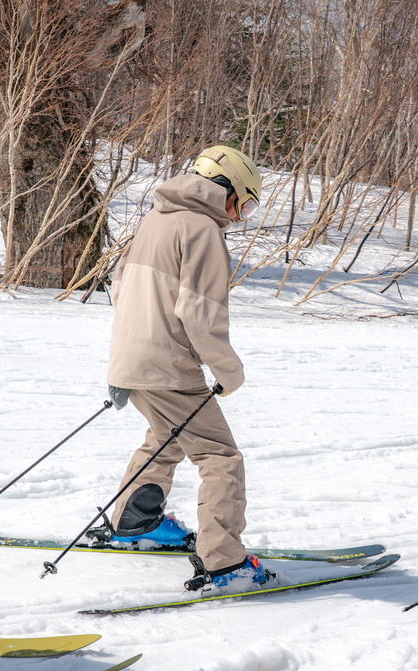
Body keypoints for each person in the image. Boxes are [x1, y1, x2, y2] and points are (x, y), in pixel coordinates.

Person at [105, 145, 270, 593]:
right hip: (169, 367)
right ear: (228, 188)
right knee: (220, 457)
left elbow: (119, 289)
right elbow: (201, 314)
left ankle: (135, 523)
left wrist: (124, 365)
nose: (242, 215)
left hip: (131, 358)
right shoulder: (202, 231)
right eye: (247, 203)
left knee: (166, 436)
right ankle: (225, 564)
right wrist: (228, 372)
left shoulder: (155, 220)